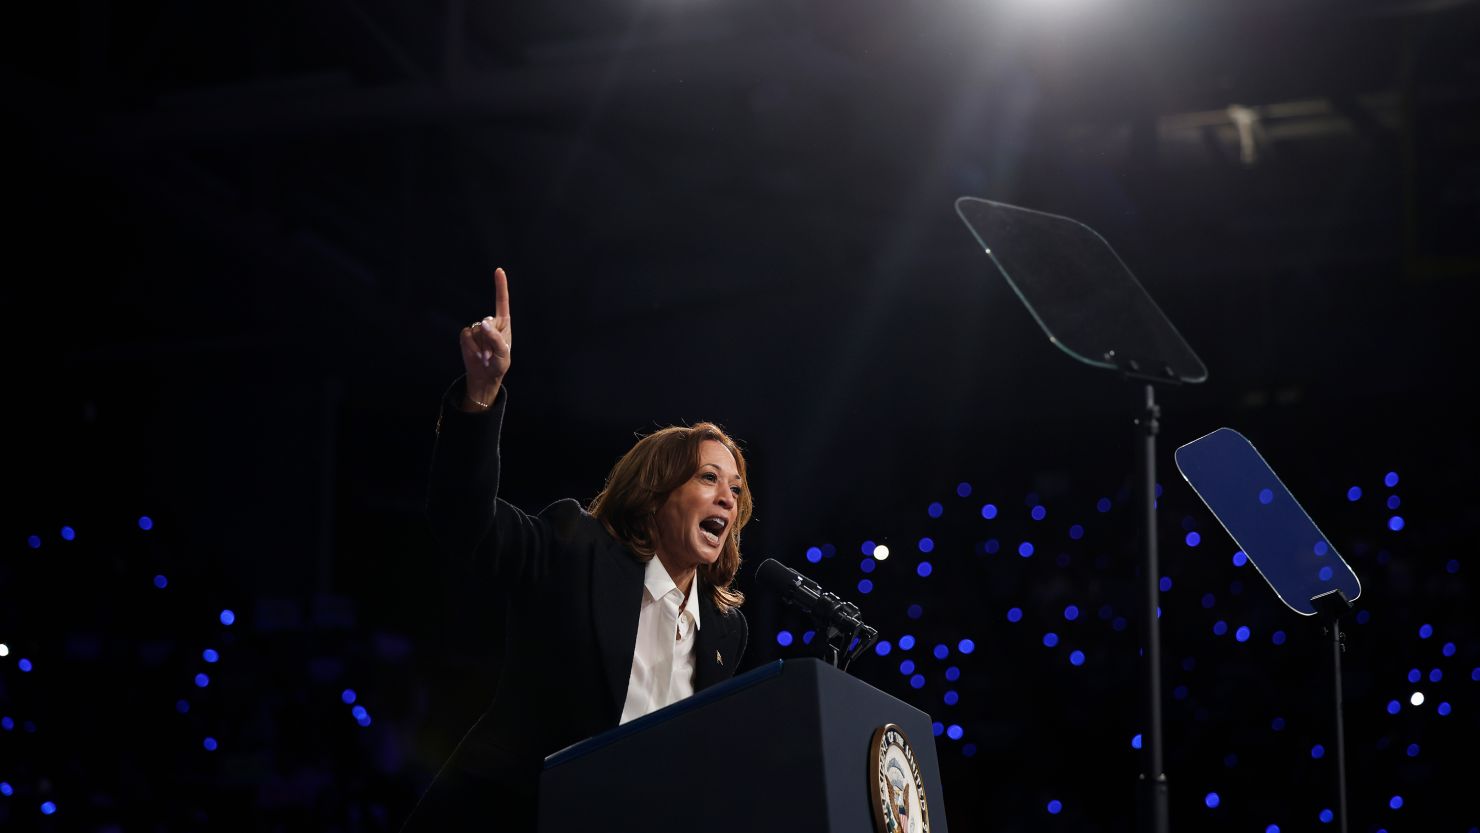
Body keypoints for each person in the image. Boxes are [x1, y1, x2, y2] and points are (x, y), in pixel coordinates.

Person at [400, 268, 754, 832]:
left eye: (734, 489)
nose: (727, 499)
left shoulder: (724, 633)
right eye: (709, 479)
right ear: (657, 493)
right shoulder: (574, 549)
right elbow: (465, 523)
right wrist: (482, 394)